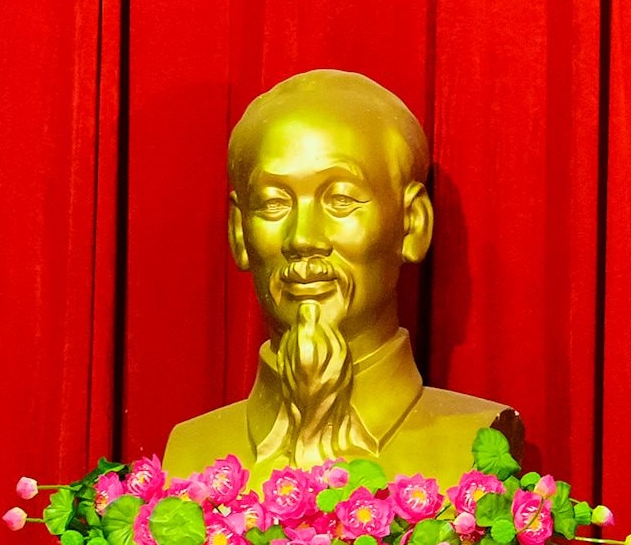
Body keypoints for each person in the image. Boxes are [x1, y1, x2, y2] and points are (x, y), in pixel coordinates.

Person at [162, 68, 517, 482]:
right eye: (274, 204)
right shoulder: (190, 451)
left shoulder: (474, 440)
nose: (302, 238)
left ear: (412, 224)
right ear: (239, 232)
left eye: (341, 200)